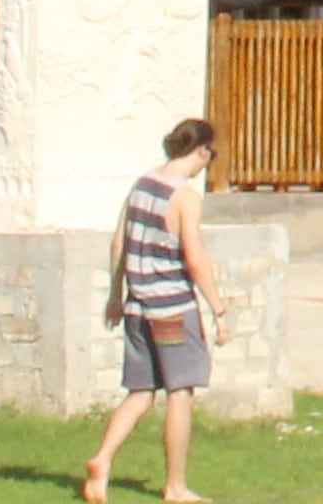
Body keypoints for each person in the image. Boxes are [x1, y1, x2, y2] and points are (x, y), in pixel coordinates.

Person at [84, 116, 223, 504]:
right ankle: (175, 486)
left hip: (137, 306)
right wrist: (218, 308)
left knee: (140, 392)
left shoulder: (143, 184)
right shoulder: (184, 197)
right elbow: (194, 259)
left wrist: (116, 294)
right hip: (173, 309)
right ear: (200, 151)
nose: (207, 163)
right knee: (181, 393)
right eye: (210, 155)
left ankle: (103, 460)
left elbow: (119, 243)